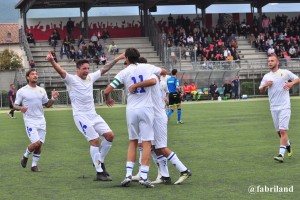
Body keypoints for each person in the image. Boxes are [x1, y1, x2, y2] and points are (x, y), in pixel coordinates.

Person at [46, 51, 124, 181]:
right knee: (94, 140)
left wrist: (117, 58)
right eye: (84, 69)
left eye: (88, 68)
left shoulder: (90, 77)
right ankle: (99, 172)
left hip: (93, 115)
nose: (86, 71)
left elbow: (104, 68)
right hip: (80, 116)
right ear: (78, 69)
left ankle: (99, 161)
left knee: (110, 135)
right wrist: (52, 61)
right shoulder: (71, 80)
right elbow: (61, 71)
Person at [104, 48, 167, 188]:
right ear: (138, 57)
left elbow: (107, 90)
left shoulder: (124, 72)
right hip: (146, 109)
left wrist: (108, 99)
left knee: (133, 141)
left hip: (131, 109)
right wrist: (156, 71)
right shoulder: (147, 67)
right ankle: (144, 176)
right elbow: (163, 72)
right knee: (146, 142)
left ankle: (128, 175)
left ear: (126, 58)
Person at [128, 66, 192, 185]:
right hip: (153, 118)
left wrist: (135, 85)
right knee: (153, 148)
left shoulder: (153, 79)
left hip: (158, 118)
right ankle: (165, 176)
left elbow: (154, 79)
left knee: (161, 148)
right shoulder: (154, 80)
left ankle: (184, 170)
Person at [14, 69, 59, 172]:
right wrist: (20, 108)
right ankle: (25, 156)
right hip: (30, 120)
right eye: (32, 74)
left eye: (36, 74)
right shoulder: (22, 91)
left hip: (41, 120)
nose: (35, 75)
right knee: (36, 143)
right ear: (27, 77)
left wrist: (53, 98)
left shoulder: (41, 90)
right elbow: (15, 105)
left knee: (40, 145)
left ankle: (34, 165)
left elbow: (47, 105)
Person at [259, 54, 300, 162]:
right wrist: (265, 86)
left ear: (277, 62)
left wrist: (291, 84)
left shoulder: (285, 72)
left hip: (285, 106)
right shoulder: (266, 76)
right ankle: (288, 144)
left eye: (272, 60)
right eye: (268, 61)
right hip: (273, 107)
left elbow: (297, 79)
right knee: (279, 132)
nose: (270, 62)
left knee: (282, 131)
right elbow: (261, 90)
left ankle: (281, 155)